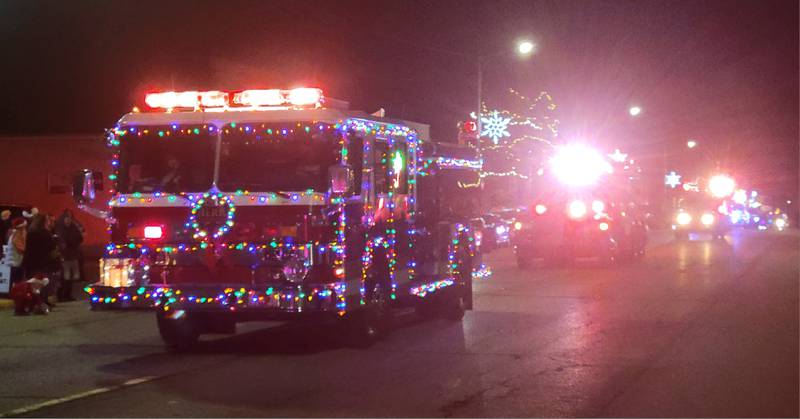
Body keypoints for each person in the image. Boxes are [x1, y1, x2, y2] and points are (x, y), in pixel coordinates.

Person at [23, 214, 60, 308]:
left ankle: (33, 302)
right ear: (44, 221)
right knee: (44, 283)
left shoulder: (30, 233)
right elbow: (52, 248)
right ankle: (41, 302)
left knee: (34, 283)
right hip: (44, 262)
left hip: (32, 262)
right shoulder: (45, 233)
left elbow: (28, 249)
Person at [55, 210, 83, 301]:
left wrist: (73, 243)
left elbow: (79, 238)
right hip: (65, 255)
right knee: (65, 276)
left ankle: (68, 294)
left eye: (69, 218)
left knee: (72, 276)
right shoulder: (60, 229)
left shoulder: (73, 228)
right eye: (67, 218)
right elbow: (60, 241)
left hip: (73, 254)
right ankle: (62, 295)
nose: (68, 220)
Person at [6, 217, 26, 285]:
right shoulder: (17, 235)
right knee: (17, 284)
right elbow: (21, 249)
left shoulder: (14, 234)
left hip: (13, 263)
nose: (25, 229)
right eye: (24, 227)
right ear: (21, 227)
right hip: (15, 263)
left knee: (12, 283)